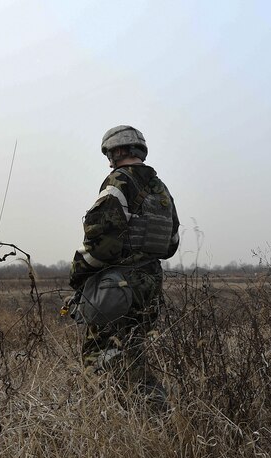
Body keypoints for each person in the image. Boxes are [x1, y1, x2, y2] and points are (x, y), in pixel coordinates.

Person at [69, 125, 180, 411]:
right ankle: (154, 414)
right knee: (133, 351)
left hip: (119, 287)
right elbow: (171, 244)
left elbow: (101, 243)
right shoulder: (161, 188)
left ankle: (111, 418)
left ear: (116, 151)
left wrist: (78, 274)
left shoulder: (118, 182)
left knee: (99, 357)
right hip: (151, 284)